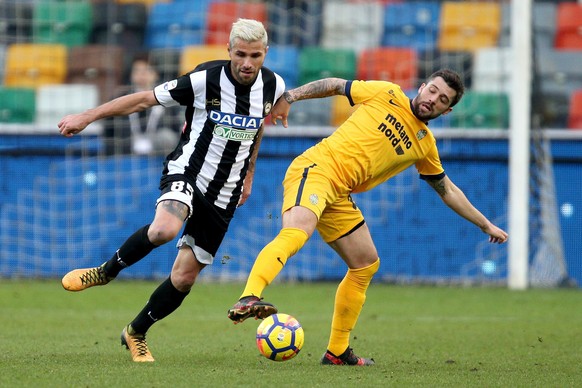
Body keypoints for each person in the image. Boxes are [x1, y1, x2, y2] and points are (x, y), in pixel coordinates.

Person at [227, 70, 509, 366]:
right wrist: (289, 97)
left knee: (365, 264)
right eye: (432, 91)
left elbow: (447, 189)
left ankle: (337, 351)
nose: (432, 100)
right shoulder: (386, 93)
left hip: (339, 193)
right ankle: (250, 296)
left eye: (442, 100)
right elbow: (335, 85)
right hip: (317, 169)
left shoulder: (425, 144)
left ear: (447, 110)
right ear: (423, 86)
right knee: (297, 233)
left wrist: (485, 224)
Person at [58, 18, 286, 362]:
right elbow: (142, 100)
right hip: (187, 172)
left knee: (183, 278)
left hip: (225, 193)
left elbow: (257, 128)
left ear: (266, 53)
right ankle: (105, 272)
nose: (247, 63)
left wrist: (249, 173)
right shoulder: (204, 79)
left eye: (255, 55)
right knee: (165, 229)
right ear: (228, 50)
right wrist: (88, 116)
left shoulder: (273, 85)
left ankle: (135, 333)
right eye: (240, 54)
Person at [102, 53, 182, 155]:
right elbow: (108, 132)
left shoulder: (168, 99)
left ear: (156, 74)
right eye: (137, 71)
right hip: (126, 152)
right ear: (131, 75)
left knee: (166, 136)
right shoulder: (119, 99)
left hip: (158, 154)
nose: (141, 75)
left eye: (146, 71)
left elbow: (176, 129)